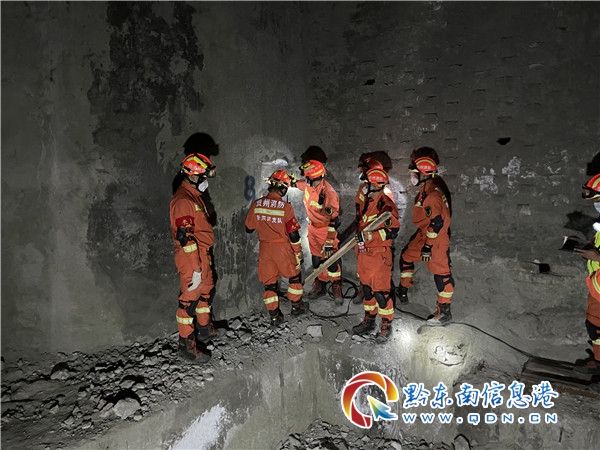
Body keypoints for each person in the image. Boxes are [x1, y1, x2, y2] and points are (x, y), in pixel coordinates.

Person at [169, 153, 220, 363]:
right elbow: (186, 237)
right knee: (188, 302)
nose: (205, 180)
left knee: (206, 291)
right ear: (192, 175)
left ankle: (205, 329)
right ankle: (186, 346)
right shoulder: (183, 200)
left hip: (201, 254)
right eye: (203, 176)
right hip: (191, 256)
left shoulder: (193, 196)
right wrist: (196, 269)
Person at [397, 151, 455, 326]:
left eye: (415, 174)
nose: (412, 177)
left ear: (424, 174)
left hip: (435, 240)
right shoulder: (428, 189)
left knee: (441, 275)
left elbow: (437, 224)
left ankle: (444, 312)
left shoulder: (432, 196)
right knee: (406, 256)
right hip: (425, 234)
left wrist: (428, 247)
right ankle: (403, 290)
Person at [245, 170, 309, 325]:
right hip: (282, 248)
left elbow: (248, 228)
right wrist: (298, 253)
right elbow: (293, 234)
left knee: (269, 284)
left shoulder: (257, 204)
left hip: (265, 249)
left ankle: (274, 316)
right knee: (294, 276)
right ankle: (296, 306)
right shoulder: (285, 207)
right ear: (282, 188)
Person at [351, 167, 400, 343]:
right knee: (368, 291)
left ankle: (386, 325)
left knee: (381, 293)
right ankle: (369, 320)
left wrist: (371, 237)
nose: (364, 187)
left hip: (379, 256)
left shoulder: (386, 206)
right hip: (365, 255)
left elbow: (392, 231)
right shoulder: (369, 203)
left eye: (367, 184)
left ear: (375, 185)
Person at [292, 159, 343, 304]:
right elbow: (296, 184)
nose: (305, 179)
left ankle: (336, 287)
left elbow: (334, 220)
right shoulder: (309, 185)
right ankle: (320, 285)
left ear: (312, 177)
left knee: (331, 259)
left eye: (307, 176)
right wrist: (285, 181)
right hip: (313, 228)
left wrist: (329, 241)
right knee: (316, 258)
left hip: (326, 230)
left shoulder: (328, 193)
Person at [352, 156, 395, 304]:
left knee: (379, 288)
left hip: (375, 245)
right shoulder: (364, 189)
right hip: (362, 236)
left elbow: (390, 228)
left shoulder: (384, 198)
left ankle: (372, 290)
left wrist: (370, 236)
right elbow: (360, 209)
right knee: (364, 272)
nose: (362, 175)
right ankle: (364, 287)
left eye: (365, 171)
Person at [573, 173, 600, 374]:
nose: (597, 205)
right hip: (597, 287)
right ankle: (598, 362)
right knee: (595, 329)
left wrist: (597, 257)